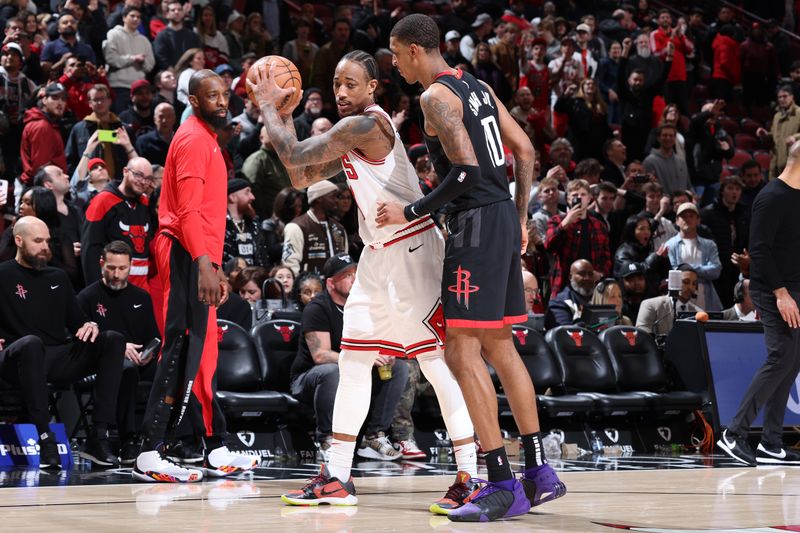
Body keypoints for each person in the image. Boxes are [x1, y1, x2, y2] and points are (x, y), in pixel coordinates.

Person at [249, 48, 481, 514]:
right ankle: (336, 475)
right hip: (377, 256)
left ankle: (471, 474)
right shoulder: (352, 132)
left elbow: (293, 159)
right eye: (336, 83)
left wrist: (272, 107)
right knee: (353, 361)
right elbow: (302, 172)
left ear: (373, 88)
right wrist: (283, 117)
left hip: (412, 249)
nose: (341, 92)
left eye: (351, 83)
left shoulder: (367, 126)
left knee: (437, 366)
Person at [383, 15, 566, 522]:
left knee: (460, 349)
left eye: (396, 55)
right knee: (500, 346)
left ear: (416, 52)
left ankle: (501, 483)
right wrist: (523, 215)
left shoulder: (434, 97)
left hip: (476, 223)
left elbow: (463, 170)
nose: (395, 65)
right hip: (503, 217)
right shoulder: (477, 85)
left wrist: (412, 210)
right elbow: (525, 149)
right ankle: (538, 472)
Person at [132, 70, 257, 483]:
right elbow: (186, 211)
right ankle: (150, 450)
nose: (222, 102)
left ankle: (213, 444)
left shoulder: (208, 140)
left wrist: (216, 266)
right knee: (180, 349)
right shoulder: (191, 140)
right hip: (183, 250)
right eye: (212, 95)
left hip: (199, 252)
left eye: (225, 94)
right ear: (193, 99)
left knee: (203, 354)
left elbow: (206, 215)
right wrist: (204, 263)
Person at [0, 217, 124, 468]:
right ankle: (45, 439)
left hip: (56, 357)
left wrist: (90, 325)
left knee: (112, 339)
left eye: (47, 241)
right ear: (18, 240)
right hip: (15, 359)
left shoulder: (58, 276)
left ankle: (98, 437)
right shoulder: (2, 274)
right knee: (32, 344)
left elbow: (77, 320)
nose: (45, 246)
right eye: (38, 241)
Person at [717, 142, 800, 466]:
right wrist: (781, 294)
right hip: (773, 291)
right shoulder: (771, 197)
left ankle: (771, 442)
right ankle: (733, 434)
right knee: (780, 356)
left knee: (791, 362)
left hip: (794, 290)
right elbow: (760, 252)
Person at [289, 254, 409, 462]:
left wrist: (384, 353)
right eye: (346, 275)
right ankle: (326, 438)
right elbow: (320, 355)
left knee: (398, 367)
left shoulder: (364, 306)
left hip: (353, 370)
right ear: (331, 283)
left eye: (356, 274)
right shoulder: (317, 307)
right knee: (333, 371)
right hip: (310, 378)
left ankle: (374, 437)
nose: (354, 279)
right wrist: (365, 358)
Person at [77, 240, 159, 465]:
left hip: (140, 360)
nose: (116, 274)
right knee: (128, 370)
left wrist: (150, 352)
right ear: (101, 264)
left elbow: (154, 336)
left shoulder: (141, 297)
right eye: (111, 268)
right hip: (101, 363)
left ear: (131, 266)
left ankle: (172, 440)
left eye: (122, 268)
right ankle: (128, 439)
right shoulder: (87, 297)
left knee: (170, 371)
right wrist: (121, 351)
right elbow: (81, 340)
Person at [82, 157, 154, 289]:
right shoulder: (102, 201)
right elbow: (90, 250)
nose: (143, 181)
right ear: (125, 171)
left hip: (142, 289)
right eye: (138, 175)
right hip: (113, 287)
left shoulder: (146, 203)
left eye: (148, 178)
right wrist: (97, 290)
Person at [545, 179, 612, 299]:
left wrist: (601, 273)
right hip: (564, 285)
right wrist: (565, 224)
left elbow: (606, 257)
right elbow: (549, 246)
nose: (579, 198)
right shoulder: (557, 221)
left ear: (590, 198)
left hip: (592, 286)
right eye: (575, 195)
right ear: (568, 199)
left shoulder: (599, 225)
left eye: (583, 194)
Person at [281, 180, 348, 276]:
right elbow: (290, 264)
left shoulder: (339, 228)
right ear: (318, 199)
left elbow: (345, 261)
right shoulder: (296, 227)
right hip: (309, 288)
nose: (336, 201)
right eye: (333, 197)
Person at [664, 203, 722, 311]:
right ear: (677, 220)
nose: (688, 219)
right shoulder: (669, 245)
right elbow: (675, 271)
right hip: (679, 297)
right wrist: (701, 272)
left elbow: (716, 270)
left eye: (691, 216)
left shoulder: (709, 245)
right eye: (684, 216)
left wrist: (688, 268)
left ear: (698, 220)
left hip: (705, 298)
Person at [636, 264, 701, 335]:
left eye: (694, 284)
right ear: (674, 281)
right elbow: (642, 338)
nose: (691, 287)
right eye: (686, 282)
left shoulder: (698, 313)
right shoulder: (650, 305)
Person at [222, 177, 268, 268]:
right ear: (233, 197)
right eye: (247, 192)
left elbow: (263, 259)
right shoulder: (222, 227)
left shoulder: (255, 226)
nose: (252, 197)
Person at [756, 85, 800, 179]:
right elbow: (774, 137)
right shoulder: (777, 116)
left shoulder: (799, 113)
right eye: (779, 97)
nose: (781, 99)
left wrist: (795, 137)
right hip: (776, 163)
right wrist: (765, 134)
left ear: (792, 97)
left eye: (785, 96)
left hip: (794, 163)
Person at [544, 259, 596, 329]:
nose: (587, 278)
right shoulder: (559, 303)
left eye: (590, 274)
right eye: (582, 274)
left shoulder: (599, 297)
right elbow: (564, 333)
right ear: (570, 277)